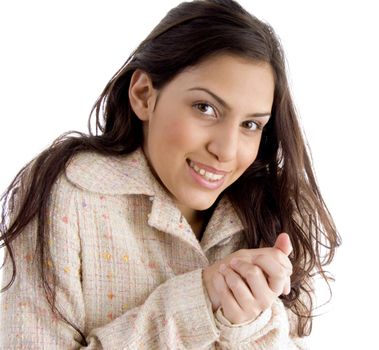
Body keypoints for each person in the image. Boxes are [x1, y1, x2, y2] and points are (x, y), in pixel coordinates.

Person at [0, 0, 340, 348]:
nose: (226, 149)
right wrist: (197, 303)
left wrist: (249, 325)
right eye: (205, 108)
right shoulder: (72, 195)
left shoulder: (280, 212)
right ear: (144, 95)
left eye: (251, 124)